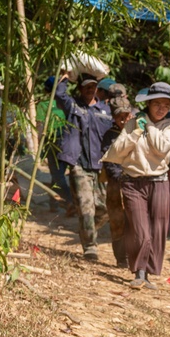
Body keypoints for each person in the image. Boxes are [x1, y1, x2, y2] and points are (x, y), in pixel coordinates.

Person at [101, 82, 170, 289]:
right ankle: (139, 272)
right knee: (139, 229)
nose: (161, 108)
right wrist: (136, 131)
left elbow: (162, 147)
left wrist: (149, 127)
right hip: (132, 182)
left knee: (158, 229)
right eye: (157, 104)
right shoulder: (134, 122)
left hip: (159, 182)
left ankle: (149, 273)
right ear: (148, 104)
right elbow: (117, 151)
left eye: (166, 105)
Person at [55, 71, 114, 261]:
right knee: (86, 207)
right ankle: (90, 246)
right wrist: (63, 78)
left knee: (105, 209)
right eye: (86, 86)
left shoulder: (105, 111)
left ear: (97, 88)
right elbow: (58, 94)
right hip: (79, 165)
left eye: (93, 86)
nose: (90, 89)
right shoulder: (73, 106)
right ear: (80, 88)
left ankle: (86, 230)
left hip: (101, 166)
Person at [100, 95, 135, 269]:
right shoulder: (109, 136)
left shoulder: (136, 132)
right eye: (119, 116)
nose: (123, 119)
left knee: (134, 221)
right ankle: (121, 258)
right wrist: (121, 177)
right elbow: (109, 162)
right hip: (116, 186)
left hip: (136, 183)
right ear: (114, 117)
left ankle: (135, 256)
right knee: (117, 222)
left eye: (126, 115)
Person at [36, 76, 71, 212]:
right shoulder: (67, 104)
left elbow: (40, 126)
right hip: (66, 140)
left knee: (57, 174)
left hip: (52, 140)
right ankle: (57, 203)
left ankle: (68, 201)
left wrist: (40, 144)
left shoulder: (43, 105)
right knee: (58, 173)